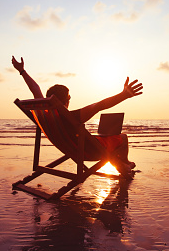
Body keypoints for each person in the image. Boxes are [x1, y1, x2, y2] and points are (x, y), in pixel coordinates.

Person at [12, 56, 143, 177]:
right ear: (64, 101)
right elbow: (99, 105)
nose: (70, 99)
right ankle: (125, 163)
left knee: (102, 140)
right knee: (123, 137)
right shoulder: (69, 117)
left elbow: (35, 89)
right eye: (69, 97)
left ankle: (122, 166)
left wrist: (22, 71)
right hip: (88, 152)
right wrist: (124, 95)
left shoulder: (46, 117)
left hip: (70, 148)